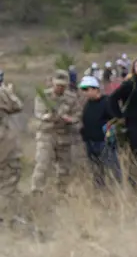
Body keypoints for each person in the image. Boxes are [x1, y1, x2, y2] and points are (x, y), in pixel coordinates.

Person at [29, 70, 82, 194]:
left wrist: (71, 119)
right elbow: (39, 113)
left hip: (64, 135)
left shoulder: (72, 98)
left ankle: (62, 191)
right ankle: (37, 191)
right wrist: (48, 116)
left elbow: (78, 113)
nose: (60, 87)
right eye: (58, 85)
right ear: (52, 83)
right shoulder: (44, 97)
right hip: (47, 134)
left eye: (63, 85)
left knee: (64, 167)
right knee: (42, 163)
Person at [77, 76, 123, 188]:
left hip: (104, 142)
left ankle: (117, 191)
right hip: (90, 142)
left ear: (95, 89)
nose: (85, 92)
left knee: (112, 169)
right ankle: (100, 193)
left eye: (87, 89)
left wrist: (110, 133)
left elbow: (116, 119)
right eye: (83, 90)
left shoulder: (107, 102)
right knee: (96, 171)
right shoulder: (88, 104)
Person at [0, 71, 25, 216]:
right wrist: (9, 91)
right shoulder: (3, 92)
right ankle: (4, 216)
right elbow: (17, 105)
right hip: (4, 142)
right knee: (9, 177)